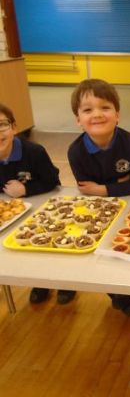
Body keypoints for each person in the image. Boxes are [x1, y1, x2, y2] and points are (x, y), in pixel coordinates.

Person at [68, 79, 130, 316]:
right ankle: (118, 294)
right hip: (96, 211)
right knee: (94, 253)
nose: (97, 115)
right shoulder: (76, 151)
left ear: (117, 115)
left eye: (105, 107)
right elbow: (85, 188)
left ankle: (127, 285)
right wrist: (117, 185)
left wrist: (103, 188)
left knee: (125, 251)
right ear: (78, 120)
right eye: (88, 110)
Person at [0, 103, 74, 304]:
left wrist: (26, 190)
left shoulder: (34, 152)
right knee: (27, 249)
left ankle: (66, 283)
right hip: (11, 212)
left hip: (44, 206)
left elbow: (52, 180)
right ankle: (40, 282)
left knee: (53, 245)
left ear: (14, 127)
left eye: (2, 125)